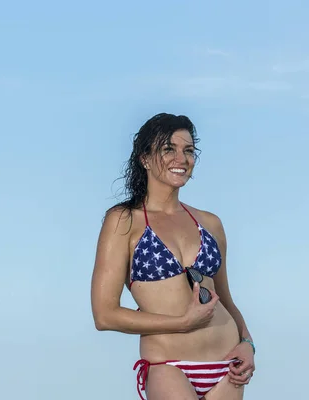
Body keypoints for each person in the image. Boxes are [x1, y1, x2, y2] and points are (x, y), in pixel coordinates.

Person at [90, 113, 256, 400]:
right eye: (168, 148)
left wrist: (248, 342)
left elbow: (225, 299)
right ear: (144, 158)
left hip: (227, 366)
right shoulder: (124, 221)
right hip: (170, 366)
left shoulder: (210, 223)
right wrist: (182, 323)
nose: (181, 158)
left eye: (188, 150)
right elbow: (105, 315)